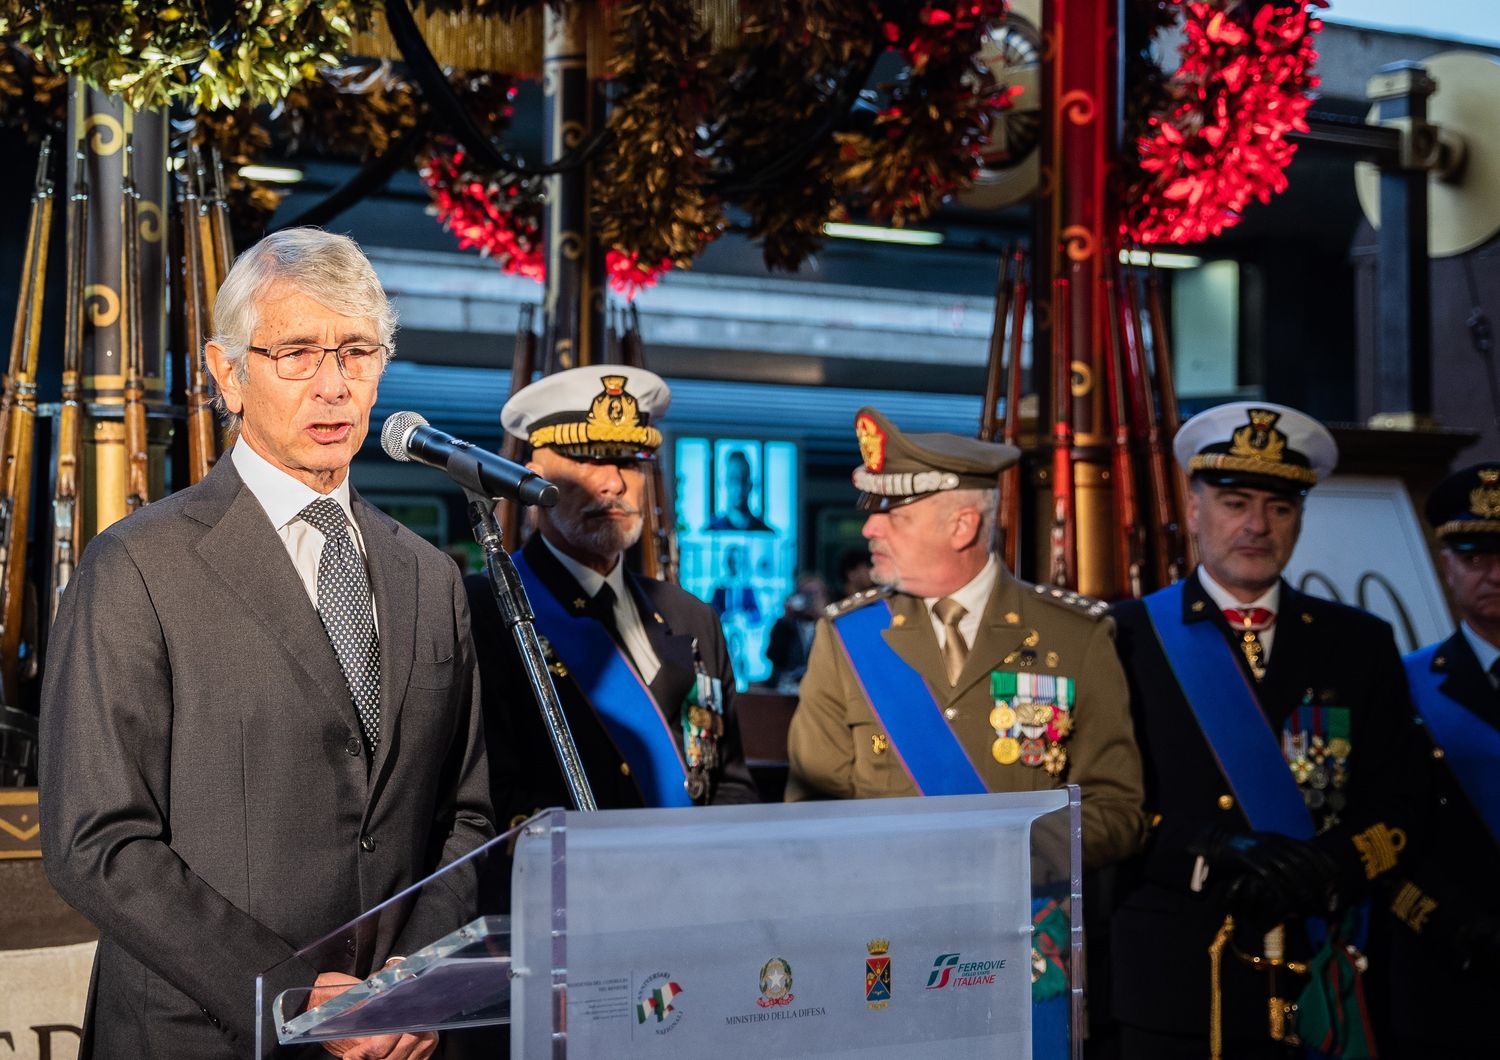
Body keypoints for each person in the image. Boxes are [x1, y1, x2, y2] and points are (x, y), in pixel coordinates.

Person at [38, 228, 493, 1059]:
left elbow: (463, 814)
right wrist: (290, 994)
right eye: (296, 353)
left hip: (397, 1037)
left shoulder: (429, 576)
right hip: (204, 1035)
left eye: (357, 351)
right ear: (227, 373)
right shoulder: (139, 565)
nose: (333, 385)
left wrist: (417, 981)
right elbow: (96, 842)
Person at [1108, 402, 1420, 1059]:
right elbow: (1105, 810)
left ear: (1301, 518)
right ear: (1193, 507)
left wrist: (1332, 865)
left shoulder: (1358, 643)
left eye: (1280, 508)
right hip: (1177, 977)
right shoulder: (1125, 636)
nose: (1256, 525)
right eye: (1234, 501)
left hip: (1321, 962)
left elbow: (1403, 806)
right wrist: (1210, 852)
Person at [785, 407, 1146, 871]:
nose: (870, 528)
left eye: (895, 514)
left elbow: (1116, 813)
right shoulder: (847, 637)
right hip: (886, 931)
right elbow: (811, 813)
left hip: (1026, 929)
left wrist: (998, 856)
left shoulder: (1076, 636)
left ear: (962, 526)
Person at [468, 367, 758, 835]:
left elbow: (730, 783)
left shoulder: (692, 616)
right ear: (532, 479)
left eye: (629, 460)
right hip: (561, 886)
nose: (614, 483)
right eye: (587, 459)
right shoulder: (482, 610)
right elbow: (485, 797)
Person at [1381, 462, 1500, 1057]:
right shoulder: (1400, 685)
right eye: (1475, 556)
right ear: (1445, 564)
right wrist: (1449, 924)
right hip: (1448, 969)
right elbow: (1381, 836)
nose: (1495, 575)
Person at [765, 573, 830, 692]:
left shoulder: (831, 626)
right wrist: (786, 620)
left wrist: (823, 617)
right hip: (787, 689)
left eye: (814, 594)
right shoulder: (785, 625)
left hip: (821, 688)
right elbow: (775, 657)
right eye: (806, 594)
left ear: (824, 596)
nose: (810, 600)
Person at [706, 449, 773, 531]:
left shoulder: (766, 533)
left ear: (751, 485)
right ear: (724, 484)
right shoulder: (711, 532)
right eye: (733, 479)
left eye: (744, 479)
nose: (739, 486)